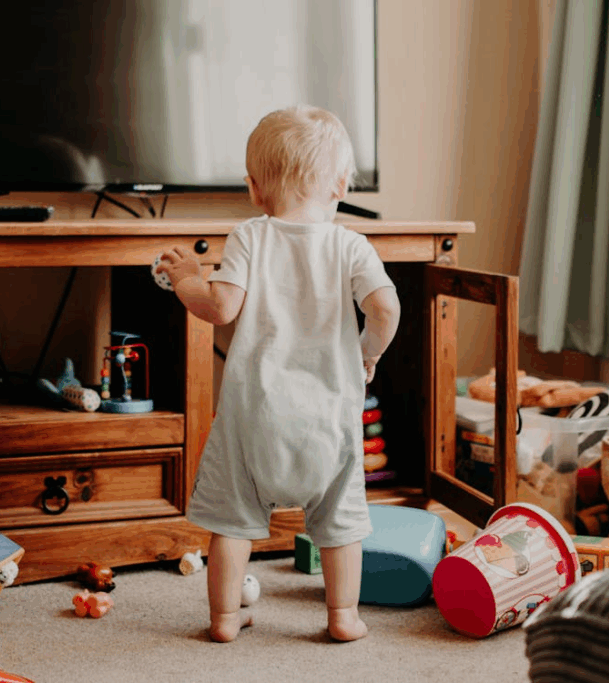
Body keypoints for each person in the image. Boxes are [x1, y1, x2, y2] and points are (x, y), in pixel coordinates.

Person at [156, 105, 401, 643]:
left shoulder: (250, 236)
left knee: (232, 523)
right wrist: (367, 353)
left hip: (253, 418)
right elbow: (385, 310)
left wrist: (188, 277)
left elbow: (219, 309)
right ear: (340, 183)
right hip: (330, 420)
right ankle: (342, 617)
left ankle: (224, 619)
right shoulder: (351, 244)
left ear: (253, 188)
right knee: (339, 527)